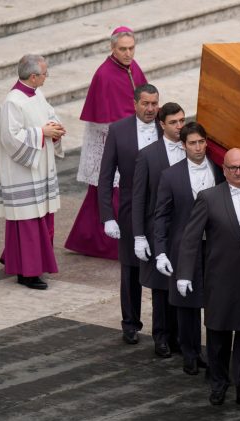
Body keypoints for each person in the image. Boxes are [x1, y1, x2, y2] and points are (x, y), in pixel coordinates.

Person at [175, 148, 240, 411]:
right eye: (233, 168)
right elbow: (190, 238)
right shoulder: (209, 197)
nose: (238, 172)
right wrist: (184, 274)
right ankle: (218, 384)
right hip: (220, 278)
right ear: (224, 170)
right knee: (217, 336)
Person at [65, 26, 147, 260]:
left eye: (131, 48)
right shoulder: (104, 74)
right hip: (111, 142)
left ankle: (87, 239)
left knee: (111, 192)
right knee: (111, 191)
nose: (128, 53)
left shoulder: (133, 67)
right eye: (123, 49)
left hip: (130, 136)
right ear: (112, 48)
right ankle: (109, 245)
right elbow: (103, 120)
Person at [154, 122, 224, 374]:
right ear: (183, 145)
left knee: (214, 300)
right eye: (192, 143)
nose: (198, 147)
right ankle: (190, 353)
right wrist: (160, 251)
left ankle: (213, 354)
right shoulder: (171, 176)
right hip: (185, 248)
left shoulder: (219, 171)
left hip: (215, 245)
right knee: (187, 303)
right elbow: (161, 216)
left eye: (201, 142)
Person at [98, 83, 161, 346]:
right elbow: (104, 177)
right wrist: (107, 216)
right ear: (134, 103)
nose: (150, 109)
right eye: (145, 103)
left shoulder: (167, 128)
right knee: (131, 271)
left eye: (154, 104)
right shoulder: (118, 130)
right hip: (128, 210)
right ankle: (130, 323)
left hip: (160, 210)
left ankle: (164, 330)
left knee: (161, 268)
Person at [0, 54, 65, 290]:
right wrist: (42, 132)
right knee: (27, 222)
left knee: (40, 218)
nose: (47, 77)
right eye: (45, 73)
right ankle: (27, 273)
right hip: (22, 172)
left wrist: (55, 128)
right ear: (33, 76)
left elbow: (48, 115)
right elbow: (10, 138)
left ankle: (21, 260)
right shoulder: (12, 102)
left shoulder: (37, 93)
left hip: (40, 167)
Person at [132, 102, 185, 357]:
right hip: (158, 230)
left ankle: (180, 337)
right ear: (162, 124)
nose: (179, 127)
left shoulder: (192, 149)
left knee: (182, 282)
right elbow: (139, 199)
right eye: (173, 122)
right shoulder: (148, 155)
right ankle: (161, 337)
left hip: (185, 229)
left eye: (182, 121)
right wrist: (139, 235)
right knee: (161, 287)